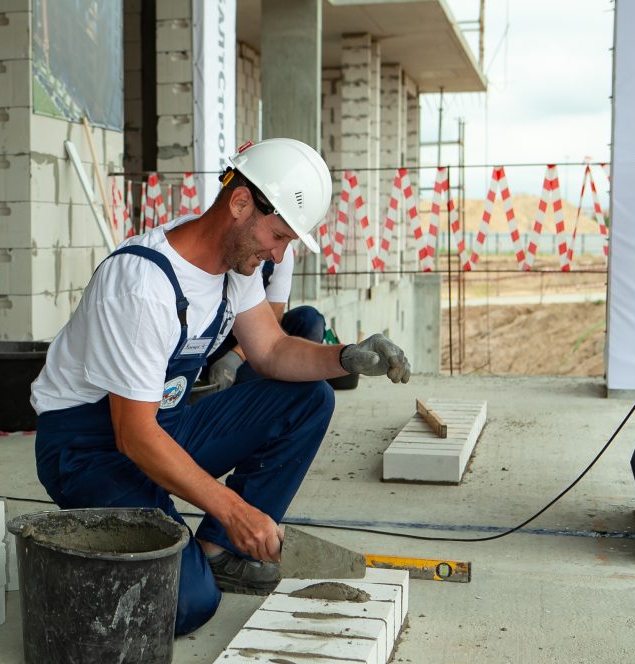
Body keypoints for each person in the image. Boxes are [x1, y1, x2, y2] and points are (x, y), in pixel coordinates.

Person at [30, 138, 411, 636]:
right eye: (278, 235)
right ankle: (102, 550)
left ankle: (216, 550)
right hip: (89, 450)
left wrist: (343, 358)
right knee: (184, 606)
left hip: (159, 425)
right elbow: (133, 436)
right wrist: (236, 510)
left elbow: (271, 350)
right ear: (239, 204)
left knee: (308, 398)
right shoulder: (143, 285)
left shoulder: (236, 267)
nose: (279, 253)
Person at [205, 241, 327, 390]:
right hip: (216, 336)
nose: (278, 254)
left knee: (310, 320)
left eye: (287, 239)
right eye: (278, 235)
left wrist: (236, 357)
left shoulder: (280, 254)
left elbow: (274, 316)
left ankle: (277, 386)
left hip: (255, 337)